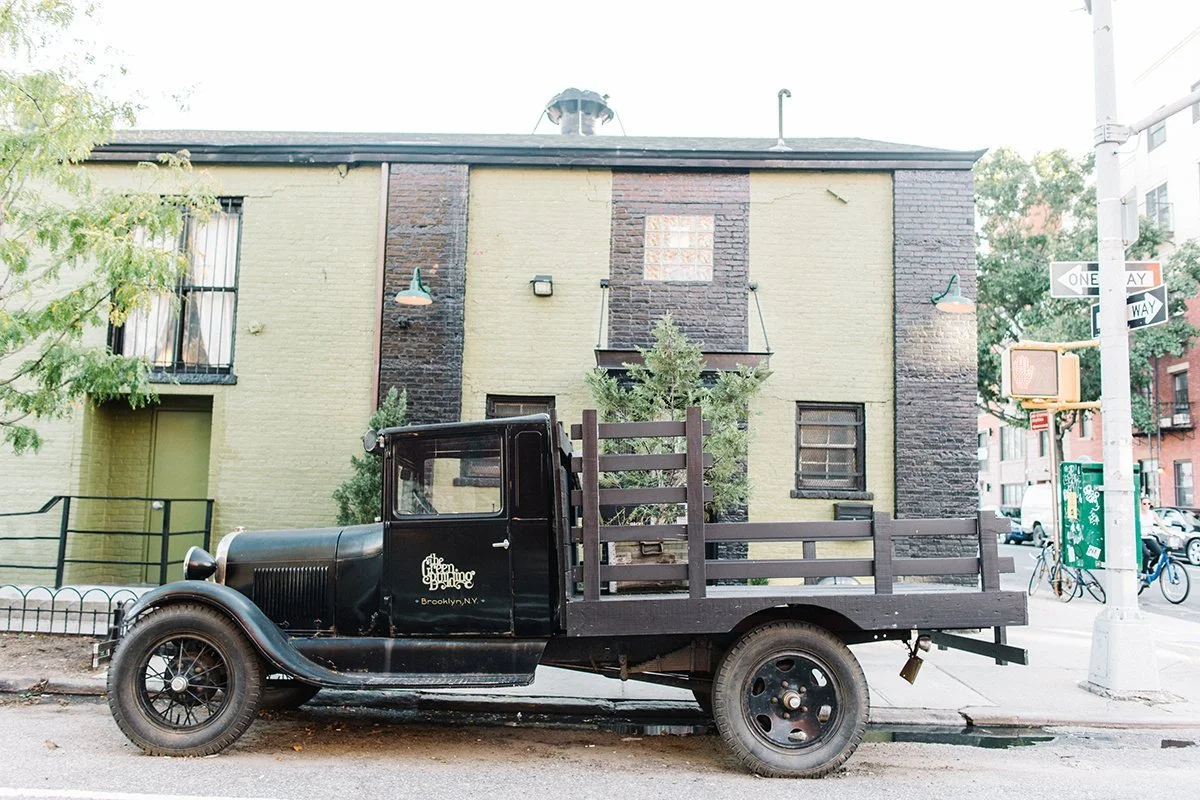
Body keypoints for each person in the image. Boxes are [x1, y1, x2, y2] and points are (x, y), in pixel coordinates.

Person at [1140, 498, 1165, 583]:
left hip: (1148, 537)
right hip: (1140, 537)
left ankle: (1150, 566)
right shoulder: (1138, 514)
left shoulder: (1152, 514)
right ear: (1140, 504)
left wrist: (1170, 533)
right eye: (1144, 504)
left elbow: (1161, 524)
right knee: (1146, 554)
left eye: (1148, 504)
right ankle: (1143, 574)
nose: (1147, 506)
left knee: (1159, 553)